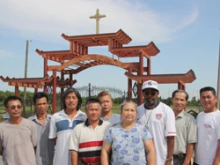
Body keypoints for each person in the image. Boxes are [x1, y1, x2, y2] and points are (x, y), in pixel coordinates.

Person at [101, 100, 156, 165]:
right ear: (121, 112)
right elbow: (105, 151)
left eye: (132, 110)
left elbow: (151, 151)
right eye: (126, 110)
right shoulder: (112, 130)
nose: (129, 113)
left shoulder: (142, 130)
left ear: (136, 113)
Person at [136, 80, 176, 165]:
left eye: (153, 93)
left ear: (157, 94)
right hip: (141, 158)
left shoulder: (166, 110)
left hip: (161, 158)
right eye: (147, 93)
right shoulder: (137, 110)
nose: (150, 96)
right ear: (143, 94)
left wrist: (169, 159)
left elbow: (171, 137)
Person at [49, 87, 86, 165]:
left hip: (79, 160)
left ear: (78, 100)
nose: (71, 100)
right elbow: (54, 138)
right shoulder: (56, 117)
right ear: (64, 100)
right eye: (68, 98)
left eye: (74, 98)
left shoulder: (84, 117)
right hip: (60, 159)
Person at [69, 98, 110, 165]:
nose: (94, 112)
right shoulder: (78, 128)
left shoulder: (108, 127)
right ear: (86, 111)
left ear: (100, 111)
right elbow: (74, 152)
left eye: (96, 110)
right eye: (91, 110)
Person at [0, 96, 37, 165]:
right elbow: (1, 151)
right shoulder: (1, 128)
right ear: (7, 109)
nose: (16, 109)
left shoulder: (31, 125)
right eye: (13, 107)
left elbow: (34, 145)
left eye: (19, 106)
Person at [194, 86, 220, 165]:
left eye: (209, 97)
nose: (206, 100)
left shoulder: (218, 116)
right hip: (197, 161)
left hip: (211, 162)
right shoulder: (200, 116)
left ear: (215, 98)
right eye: (203, 97)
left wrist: (216, 161)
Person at [172, 90, 197, 165]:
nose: (179, 102)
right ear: (172, 100)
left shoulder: (190, 119)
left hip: (181, 159)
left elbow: (191, 143)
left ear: (186, 102)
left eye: (182, 100)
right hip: (165, 158)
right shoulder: (165, 117)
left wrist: (186, 162)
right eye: (176, 99)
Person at [28, 92, 54, 165]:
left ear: (48, 104)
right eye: (39, 104)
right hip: (35, 161)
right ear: (35, 105)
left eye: (44, 103)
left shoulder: (54, 120)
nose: (42, 106)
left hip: (53, 160)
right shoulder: (29, 122)